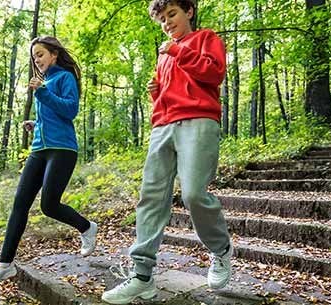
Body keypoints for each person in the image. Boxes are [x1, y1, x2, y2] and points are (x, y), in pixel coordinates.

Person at [101, 0, 232, 303]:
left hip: (198, 121)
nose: (167, 22)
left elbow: (213, 75)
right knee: (151, 197)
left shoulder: (205, 39)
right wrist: (156, 93)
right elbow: (170, 88)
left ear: (189, 11)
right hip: (163, 126)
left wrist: (178, 52)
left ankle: (221, 249)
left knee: (194, 194)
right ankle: (142, 275)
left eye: (171, 14)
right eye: (162, 19)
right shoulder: (164, 55)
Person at [0, 36, 98, 289]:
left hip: (62, 149)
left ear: (53, 54)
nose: (37, 60)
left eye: (40, 54)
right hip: (39, 148)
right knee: (19, 204)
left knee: (49, 206)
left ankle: (86, 227)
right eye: (34, 57)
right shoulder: (45, 82)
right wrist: (36, 123)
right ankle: (4, 266)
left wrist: (42, 92)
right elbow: (52, 115)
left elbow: (70, 110)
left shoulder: (64, 78)